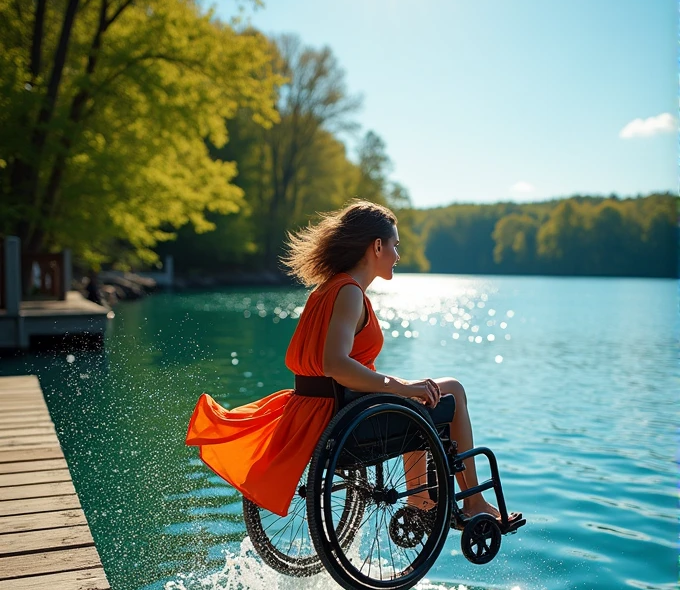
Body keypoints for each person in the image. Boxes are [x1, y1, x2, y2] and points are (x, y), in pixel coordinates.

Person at [186, 200, 520, 527]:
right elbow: (336, 364)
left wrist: (404, 388)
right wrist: (403, 387)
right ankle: (470, 502)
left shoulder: (326, 289)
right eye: (395, 245)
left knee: (420, 393)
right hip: (344, 417)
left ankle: (422, 500)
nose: (398, 255)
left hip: (314, 410)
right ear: (376, 246)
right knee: (453, 391)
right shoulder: (349, 293)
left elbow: (335, 367)